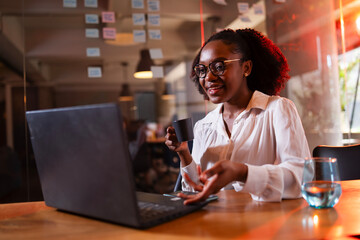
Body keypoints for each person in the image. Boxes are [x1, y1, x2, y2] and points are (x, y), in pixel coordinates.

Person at [165, 28, 311, 205]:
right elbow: (197, 190)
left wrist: (242, 172)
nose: (208, 77)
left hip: (265, 224)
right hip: (217, 224)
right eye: (202, 70)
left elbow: (301, 179)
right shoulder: (204, 126)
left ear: (246, 68)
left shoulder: (277, 109)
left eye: (219, 66)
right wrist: (184, 154)